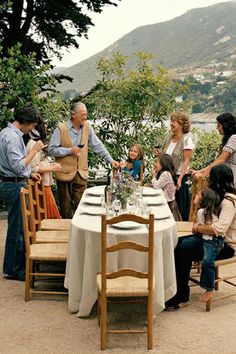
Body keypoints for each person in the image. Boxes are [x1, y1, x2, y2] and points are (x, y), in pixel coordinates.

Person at [165, 164, 236, 310]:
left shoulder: (229, 201)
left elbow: (220, 229)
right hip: (208, 238)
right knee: (176, 242)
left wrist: (198, 228)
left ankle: (181, 296)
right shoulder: (218, 197)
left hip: (225, 245)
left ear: (217, 180)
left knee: (182, 249)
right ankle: (173, 289)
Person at [48, 102, 119, 218]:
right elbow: (51, 150)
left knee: (82, 208)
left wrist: (110, 160)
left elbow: (97, 145)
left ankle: (79, 234)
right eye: (82, 115)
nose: (85, 117)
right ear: (73, 115)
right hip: (64, 174)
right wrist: (70, 151)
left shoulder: (87, 127)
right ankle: (68, 233)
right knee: (66, 209)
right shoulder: (61, 129)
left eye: (86, 115)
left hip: (81, 173)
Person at [0, 106, 45, 281]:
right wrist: (34, 150)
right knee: (18, 228)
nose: (32, 129)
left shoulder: (6, 132)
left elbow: (17, 167)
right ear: (26, 122)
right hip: (13, 185)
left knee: (17, 227)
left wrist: (29, 174)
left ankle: (12, 267)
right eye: (32, 125)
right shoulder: (11, 137)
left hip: (13, 181)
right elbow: (18, 166)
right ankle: (15, 270)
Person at [25, 118, 62, 219]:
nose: (46, 127)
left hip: (44, 183)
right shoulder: (33, 144)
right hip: (40, 185)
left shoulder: (37, 143)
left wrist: (49, 165)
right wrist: (52, 169)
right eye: (44, 124)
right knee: (49, 215)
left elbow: (39, 163)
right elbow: (33, 168)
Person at [162, 111, 194, 221]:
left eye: (174, 121)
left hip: (179, 177)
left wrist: (180, 179)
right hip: (166, 177)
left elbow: (186, 160)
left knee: (178, 207)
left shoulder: (186, 139)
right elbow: (164, 156)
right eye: (171, 121)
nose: (171, 123)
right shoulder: (168, 138)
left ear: (181, 124)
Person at [194, 187, 223, 302]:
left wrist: (196, 228)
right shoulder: (206, 211)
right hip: (210, 239)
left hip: (212, 241)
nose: (195, 196)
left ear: (203, 200)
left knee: (207, 261)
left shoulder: (202, 212)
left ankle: (209, 288)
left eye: (197, 195)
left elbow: (200, 228)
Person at [192, 112, 236, 185]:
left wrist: (205, 174)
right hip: (225, 179)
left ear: (225, 126)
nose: (217, 128)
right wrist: (200, 171)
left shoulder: (234, 138)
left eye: (218, 125)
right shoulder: (228, 139)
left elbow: (221, 160)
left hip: (231, 180)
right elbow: (216, 162)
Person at [151, 153, 181, 221]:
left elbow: (156, 186)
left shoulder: (166, 174)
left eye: (157, 162)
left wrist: (153, 176)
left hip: (168, 205)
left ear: (163, 163)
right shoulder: (165, 173)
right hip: (168, 203)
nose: (155, 164)